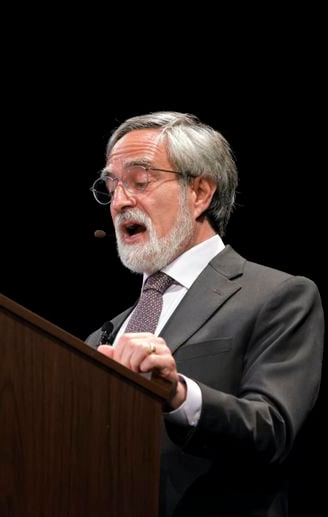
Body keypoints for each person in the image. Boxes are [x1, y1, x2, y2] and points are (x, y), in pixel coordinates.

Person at [85, 112, 323, 517]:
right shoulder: (102, 339)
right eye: (112, 186)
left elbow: (272, 429)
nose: (121, 201)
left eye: (140, 181)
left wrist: (178, 394)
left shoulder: (277, 296)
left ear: (199, 193)